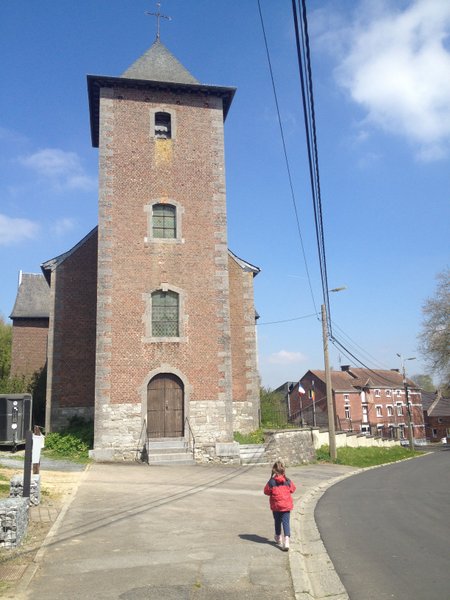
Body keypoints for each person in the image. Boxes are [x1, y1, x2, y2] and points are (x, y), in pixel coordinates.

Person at [264, 460, 296, 551]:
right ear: (283, 470)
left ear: (274, 470)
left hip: (276, 506)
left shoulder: (271, 482)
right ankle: (286, 540)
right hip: (286, 506)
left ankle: (278, 537)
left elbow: (266, 491)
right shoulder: (287, 480)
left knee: (277, 521)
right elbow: (293, 489)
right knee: (286, 522)